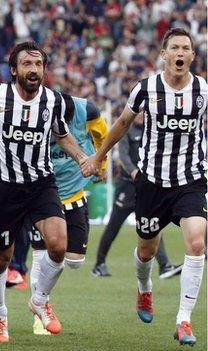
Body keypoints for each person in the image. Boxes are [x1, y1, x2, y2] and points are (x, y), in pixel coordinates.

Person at [81, 28, 206, 346]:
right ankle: (144, 288)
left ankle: (183, 320)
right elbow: (122, 123)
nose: (180, 53)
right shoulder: (146, 89)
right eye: (175, 47)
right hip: (151, 182)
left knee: (196, 243)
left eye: (186, 48)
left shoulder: (203, 90)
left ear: (192, 55)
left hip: (189, 180)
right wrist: (98, 156)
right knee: (146, 250)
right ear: (164, 54)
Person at [0, 41, 87, 342]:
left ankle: (40, 301)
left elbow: (62, 135)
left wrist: (81, 157)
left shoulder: (54, 101)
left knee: (58, 245)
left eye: (38, 64)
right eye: (27, 64)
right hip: (6, 187)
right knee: (1, 258)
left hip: (42, 185)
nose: (34, 70)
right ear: (14, 69)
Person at [22, 93, 109, 335]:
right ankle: (40, 309)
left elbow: (104, 136)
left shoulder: (88, 110)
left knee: (74, 261)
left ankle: (40, 299)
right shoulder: (37, 112)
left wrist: (101, 164)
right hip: (42, 196)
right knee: (42, 255)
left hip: (73, 195)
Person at [92, 113, 182, 279]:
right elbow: (124, 156)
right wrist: (133, 172)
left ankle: (164, 266)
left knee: (152, 225)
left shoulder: (152, 129)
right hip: (127, 186)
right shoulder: (127, 131)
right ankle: (99, 264)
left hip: (146, 187)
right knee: (113, 226)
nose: (142, 113)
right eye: (139, 110)